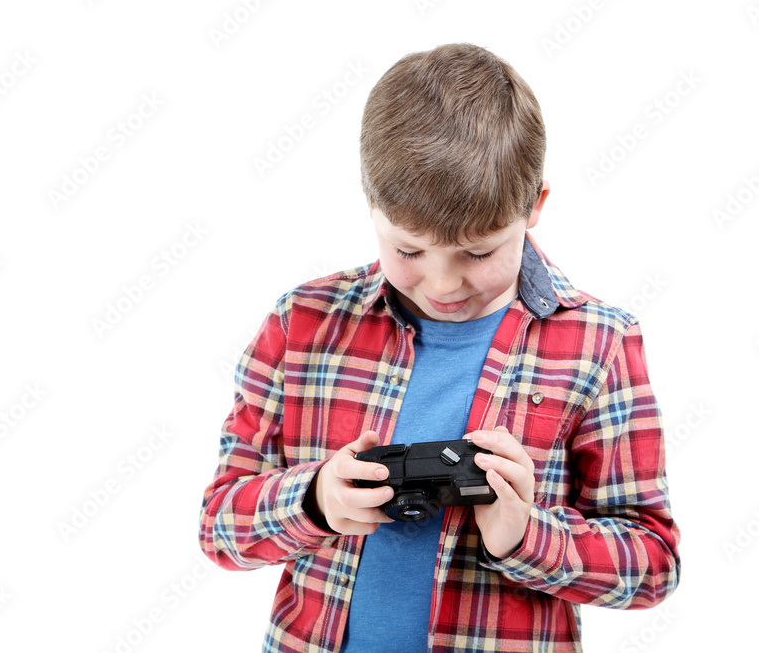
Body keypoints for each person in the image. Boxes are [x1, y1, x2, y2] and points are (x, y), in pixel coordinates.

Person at [199, 42, 680, 652]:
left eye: (479, 253)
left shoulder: (598, 343)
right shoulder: (303, 325)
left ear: (535, 207)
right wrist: (315, 501)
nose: (444, 282)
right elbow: (220, 527)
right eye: (408, 251)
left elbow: (653, 563)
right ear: (371, 208)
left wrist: (526, 535)